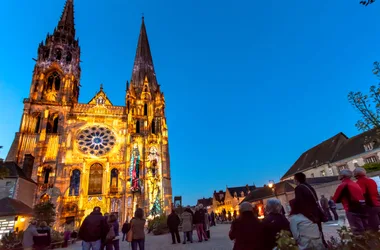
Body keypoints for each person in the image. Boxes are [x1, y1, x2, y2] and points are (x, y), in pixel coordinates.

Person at [293, 172, 327, 246]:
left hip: (309, 215)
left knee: (312, 235)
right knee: (320, 232)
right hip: (316, 212)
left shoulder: (299, 188)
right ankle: (324, 245)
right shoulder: (309, 186)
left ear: (296, 180)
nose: (293, 181)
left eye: (294, 179)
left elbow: (300, 202)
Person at [332, 169, 368, 234]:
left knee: (357, 231)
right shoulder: (355, 183)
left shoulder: (343, 185)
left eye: (339, 174)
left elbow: (336, 199)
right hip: (362, 208)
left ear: (343, 176)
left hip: (351, 209)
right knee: (366, 229)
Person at [354, 167, 380, 231]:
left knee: (373, 227)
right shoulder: (371, 180)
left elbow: (362, 195)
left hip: (369, 206)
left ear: (356, 175)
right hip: (377, 204)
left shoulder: (359, 182)